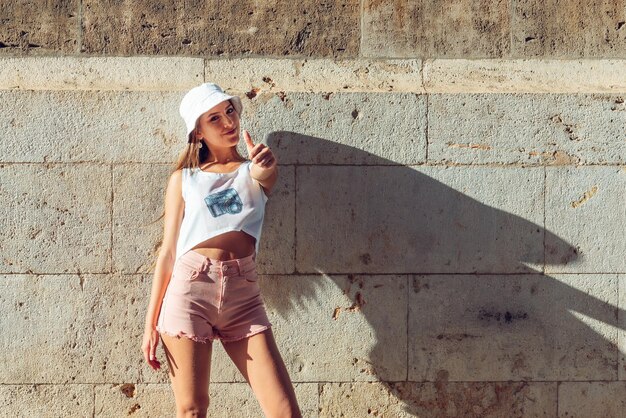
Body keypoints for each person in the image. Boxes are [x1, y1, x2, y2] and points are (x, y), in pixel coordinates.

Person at [141, 83, 302, 418]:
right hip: (190, 290)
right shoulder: (184, 179)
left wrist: (265, 162)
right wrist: (150, 323)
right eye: (214, 117)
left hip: (243, 297)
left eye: (230, 111)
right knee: (192, 409)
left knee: (284, 411)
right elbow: (168, 252)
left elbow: (263, 174)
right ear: (197, 132)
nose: (228, 122)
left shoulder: (251, 171)